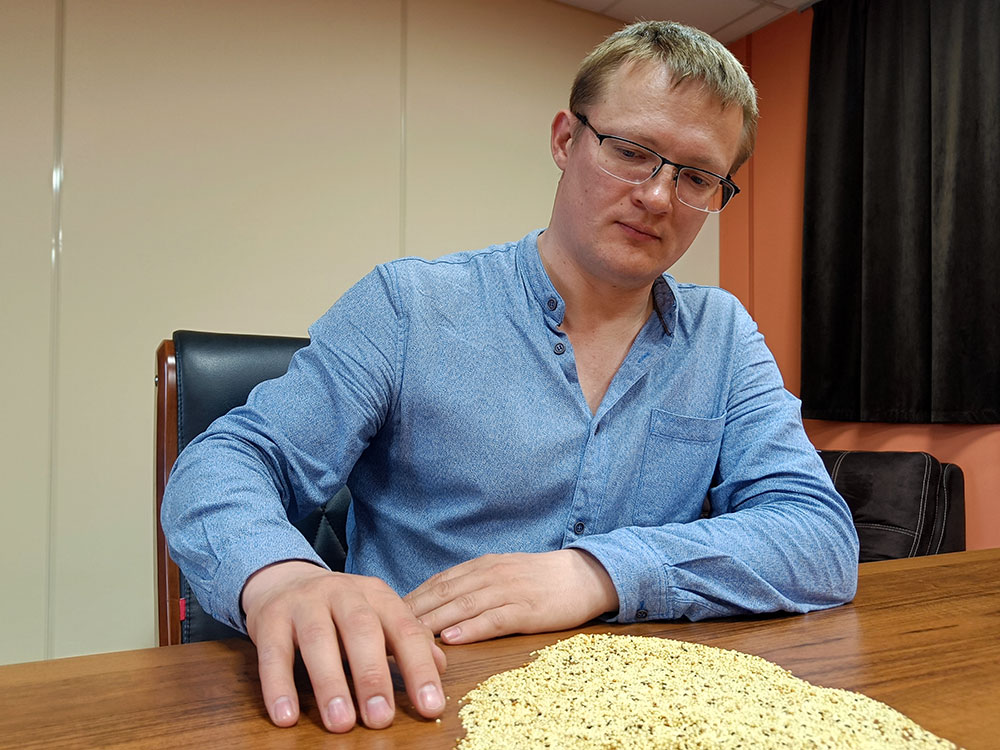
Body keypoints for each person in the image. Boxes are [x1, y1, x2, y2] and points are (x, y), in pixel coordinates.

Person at [161, 20, 859, 735]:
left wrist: (596, 572)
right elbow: (229, 460)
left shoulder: (723, 336)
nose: (658, 196)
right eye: (631, 152)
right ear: (565, 140)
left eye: (697, 177)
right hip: (415, 703)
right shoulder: (409, 307)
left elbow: (818, 539)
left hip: (642, 712)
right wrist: (281, 578)